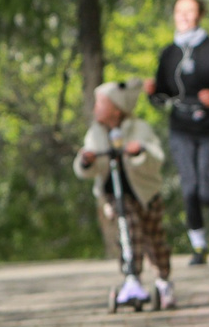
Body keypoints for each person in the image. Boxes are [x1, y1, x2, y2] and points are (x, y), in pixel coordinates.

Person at [146, 0, 209, 266]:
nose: (184, 16)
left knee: (206, 192)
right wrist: (152, 92)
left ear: (200, 14)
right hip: (181, 127)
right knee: (188, 188)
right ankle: (199, 246)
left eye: (190, 11)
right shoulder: (169, 54)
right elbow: (161, 95)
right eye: (180, 11)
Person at [73, 80, 174, 309]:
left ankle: (163, 280)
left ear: (116, 109)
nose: (96, 108)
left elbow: (155, 158)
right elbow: (89, 168)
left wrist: (139, 152)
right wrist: (87, 161)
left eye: (101, 103)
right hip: (115, 194)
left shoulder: (139, 128)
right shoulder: (96, 133)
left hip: (145, 194)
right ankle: (132, 277)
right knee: (129, 232)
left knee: (155, 240)